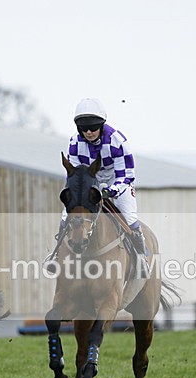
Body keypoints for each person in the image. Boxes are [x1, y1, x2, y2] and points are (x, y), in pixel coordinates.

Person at [65, 98, 150, 275]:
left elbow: (126, 175)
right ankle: (55, 256)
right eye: (84, 128)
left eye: (93, 127)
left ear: (101, 125)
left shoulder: (117, 141)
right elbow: (74, 175)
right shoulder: (74, 142)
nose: (88, 132)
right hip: (90, 184)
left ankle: (141, 257)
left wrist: (111, 191)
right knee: (66, 215)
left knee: (130, 218)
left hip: (118, 182)